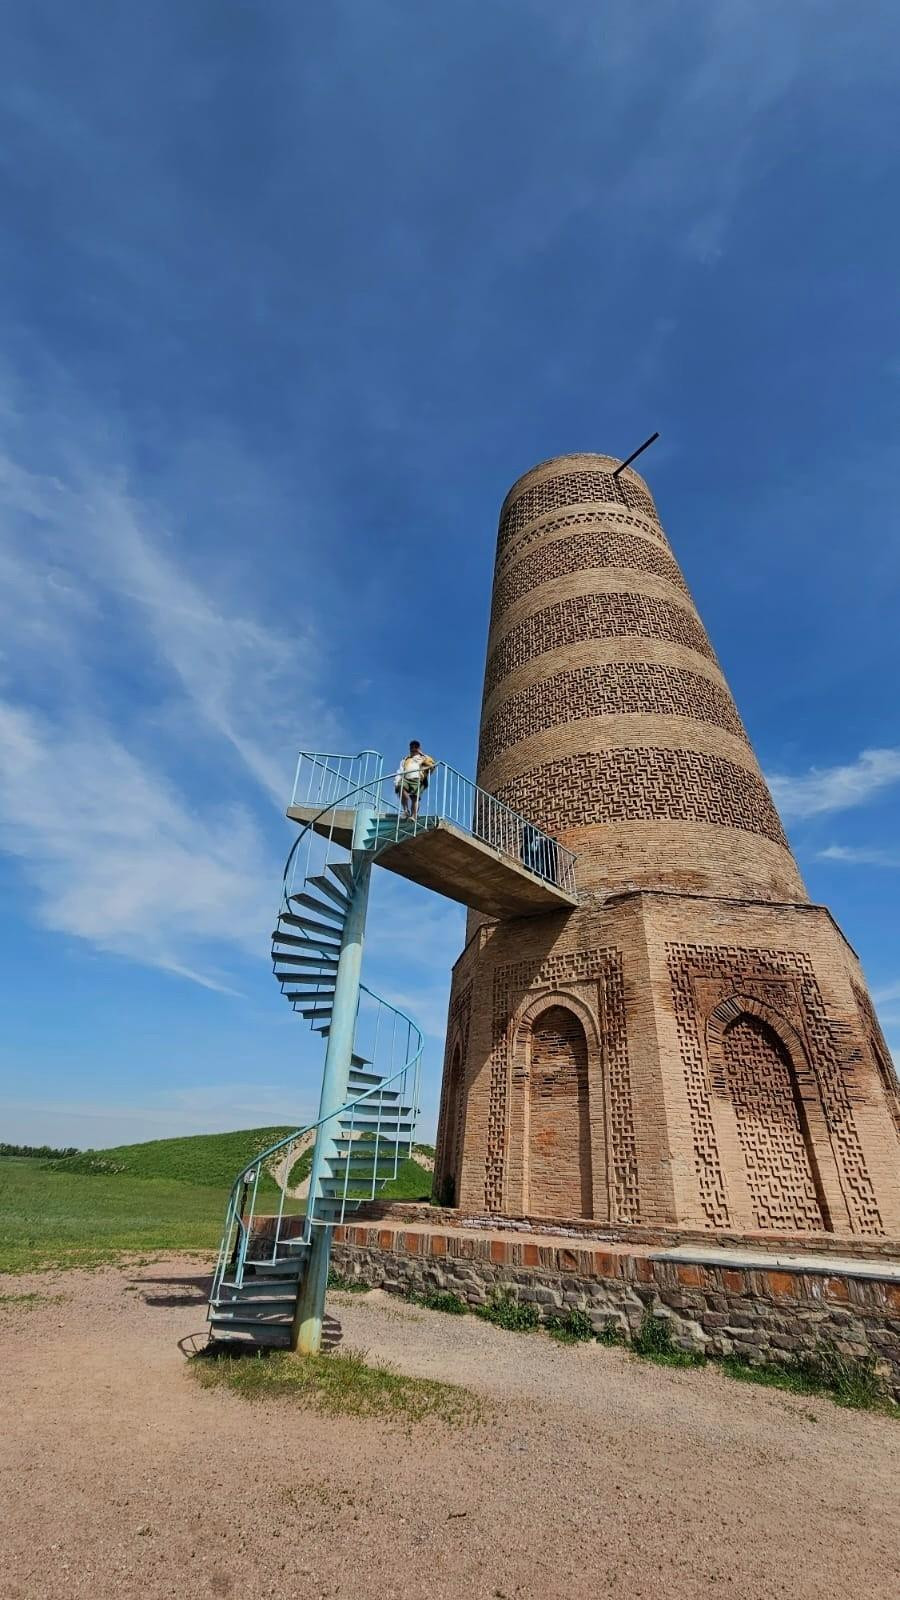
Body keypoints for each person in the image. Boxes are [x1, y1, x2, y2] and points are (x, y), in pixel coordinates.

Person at [394, 740, 436, 820]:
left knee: (415, 798)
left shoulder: (423, 757)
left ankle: (414, 816)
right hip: (406, 778)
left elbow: (432, 765)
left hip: (418, 779)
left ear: (419, 748)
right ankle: (406, 811)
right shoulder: (405, 759)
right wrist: (396, 781)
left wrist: (422, 753)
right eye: (412, 747)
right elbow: (400, 770)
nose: (413, 748)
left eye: (415, 747)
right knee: (401, 787)